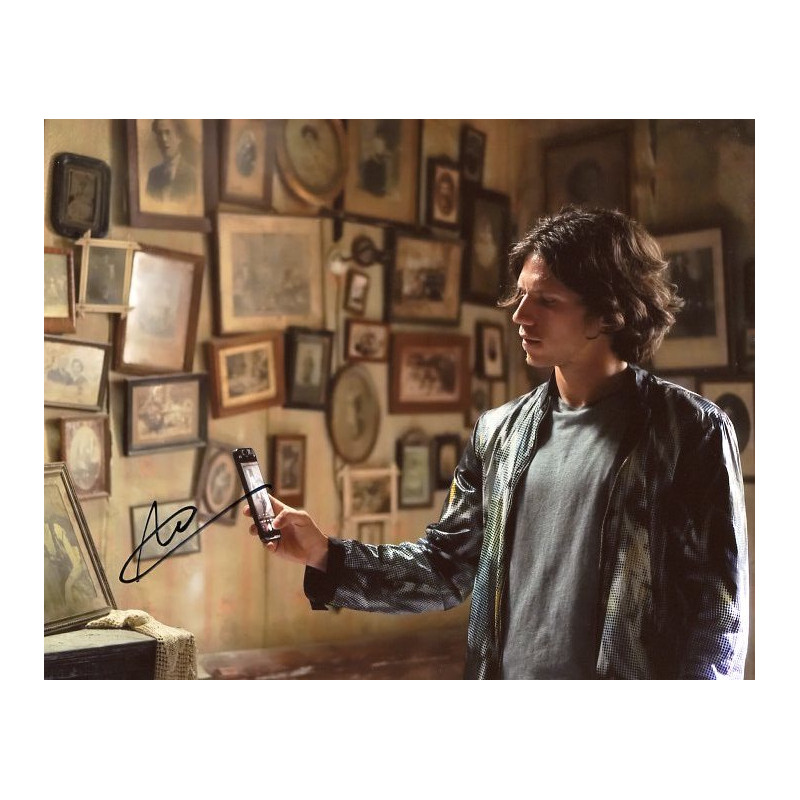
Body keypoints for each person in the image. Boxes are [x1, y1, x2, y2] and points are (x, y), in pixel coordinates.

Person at [245, 205, 749, 680]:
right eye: (522, 295)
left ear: (607, 313)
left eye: (547, 301)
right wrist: (326, 554)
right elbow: (444, 567)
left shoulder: (691, 432)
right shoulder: (498, 433)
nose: (520, 315)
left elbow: (718, 623)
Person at [146, 119, 197, 201]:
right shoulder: (153, 175)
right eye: (159, 134)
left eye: (168, 132)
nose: (164, 139)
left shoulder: (191, 174)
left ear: (179, 137)